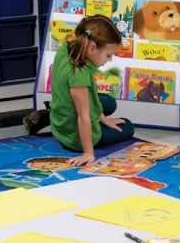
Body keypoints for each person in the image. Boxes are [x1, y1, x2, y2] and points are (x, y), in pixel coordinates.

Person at [43, 16, 134, 166]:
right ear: (91, 48)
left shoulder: (66, 48)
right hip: (74, 138)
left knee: (109, 102)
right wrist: (88, 153)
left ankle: (48, 113)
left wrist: (104, 119)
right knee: (128, 126)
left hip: (59, 119)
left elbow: (91, 101)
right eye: (108, 55)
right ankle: (86, 140)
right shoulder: (79, 74)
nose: (110, 60)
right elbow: (83, 116)